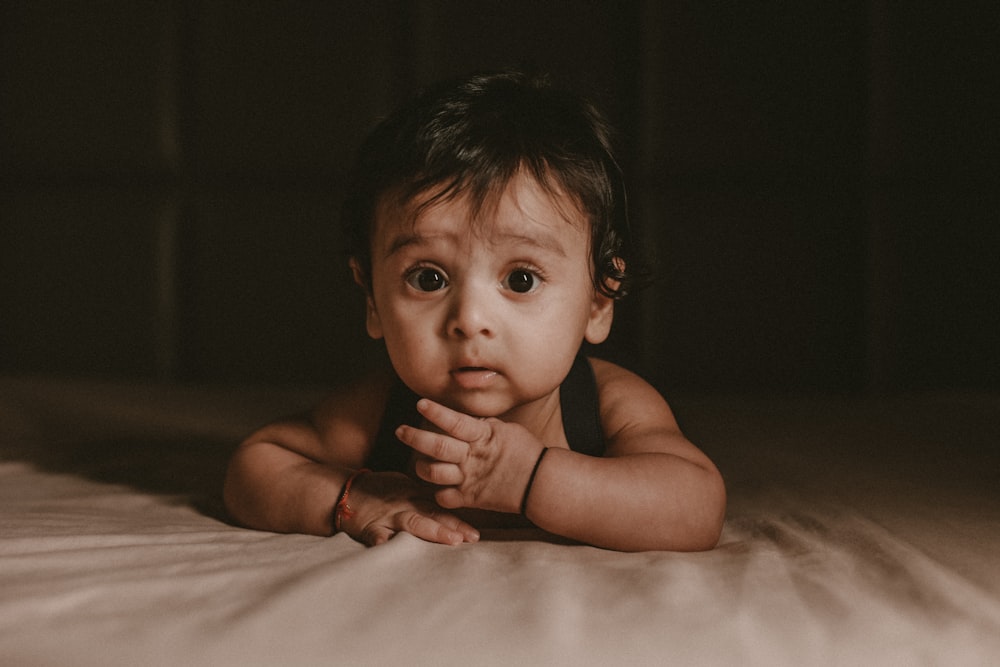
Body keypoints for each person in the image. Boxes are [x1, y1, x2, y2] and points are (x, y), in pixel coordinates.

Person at [223, 70, 725, 552]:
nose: (470, 319)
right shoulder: (382, 412)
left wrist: (532, 479)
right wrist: (353, 500)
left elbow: (696, 506)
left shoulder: (606, 404)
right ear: (372, 299)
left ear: (598, 301)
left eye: (521, 279)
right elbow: (256, 464)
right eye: (429, 279)